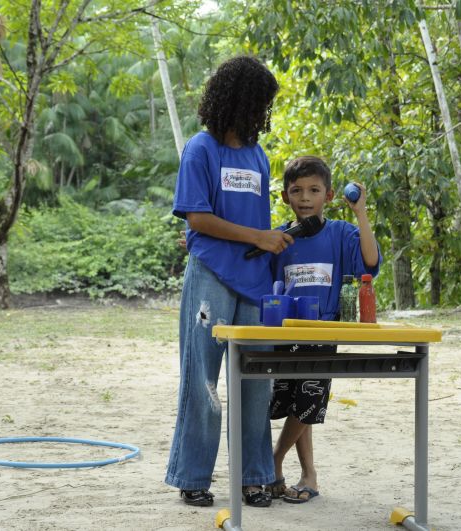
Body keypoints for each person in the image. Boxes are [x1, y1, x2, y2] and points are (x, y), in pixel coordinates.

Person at [165, 55, 292, 509]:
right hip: (211, 276)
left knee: (257, 381)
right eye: (259, 102)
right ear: (238, 99)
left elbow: (254, 219)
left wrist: (271, 241)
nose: (263, 112)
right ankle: (192, 476)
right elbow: (197, 218)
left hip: (255, 282)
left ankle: (254, 477)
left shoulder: (258, 155)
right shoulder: (200, 149)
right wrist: (258, 236)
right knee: (202, 378)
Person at [266, 156, 381, 504]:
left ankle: (274, 460)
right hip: (285, 332)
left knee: (309, 399)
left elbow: (370, 261)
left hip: (322, 331)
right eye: (297, 190)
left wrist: (360, 212)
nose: (305, 197)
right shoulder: (280, 238)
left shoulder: (341, 233)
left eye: (314, 190)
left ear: (328, 195)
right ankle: (309, 475)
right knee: (294, 404)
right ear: (285, 196)